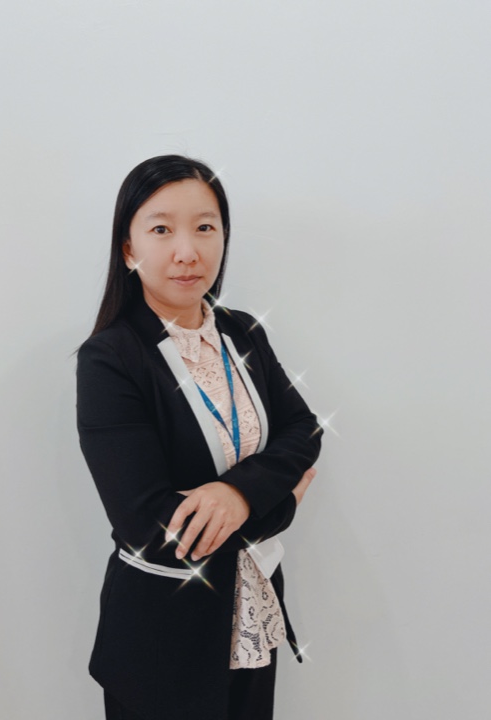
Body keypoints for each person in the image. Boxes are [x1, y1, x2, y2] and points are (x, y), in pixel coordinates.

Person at [76, 154, 323, 720]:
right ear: (128, 249)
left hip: (252, 614)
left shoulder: (243, 332)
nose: (187, 251)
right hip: (163, 639)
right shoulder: (111, 358)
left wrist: (237, 494)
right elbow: (150, 527)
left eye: (205, 227)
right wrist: (280, 502)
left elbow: (302, 428)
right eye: (162, 229)